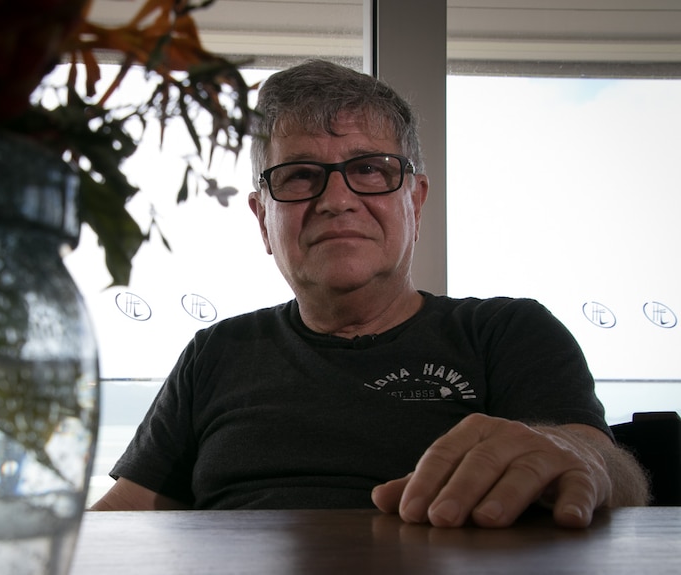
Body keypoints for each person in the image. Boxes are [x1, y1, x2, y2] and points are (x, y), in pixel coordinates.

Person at [90, 59, 649, 527]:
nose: (336, 199)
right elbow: (123, 516)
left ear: (417, 202)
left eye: (371, 169)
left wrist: (582, 458)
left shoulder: (507, 332)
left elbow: (605, 470)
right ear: (263, 220)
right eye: (300, 175)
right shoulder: (215, 352)